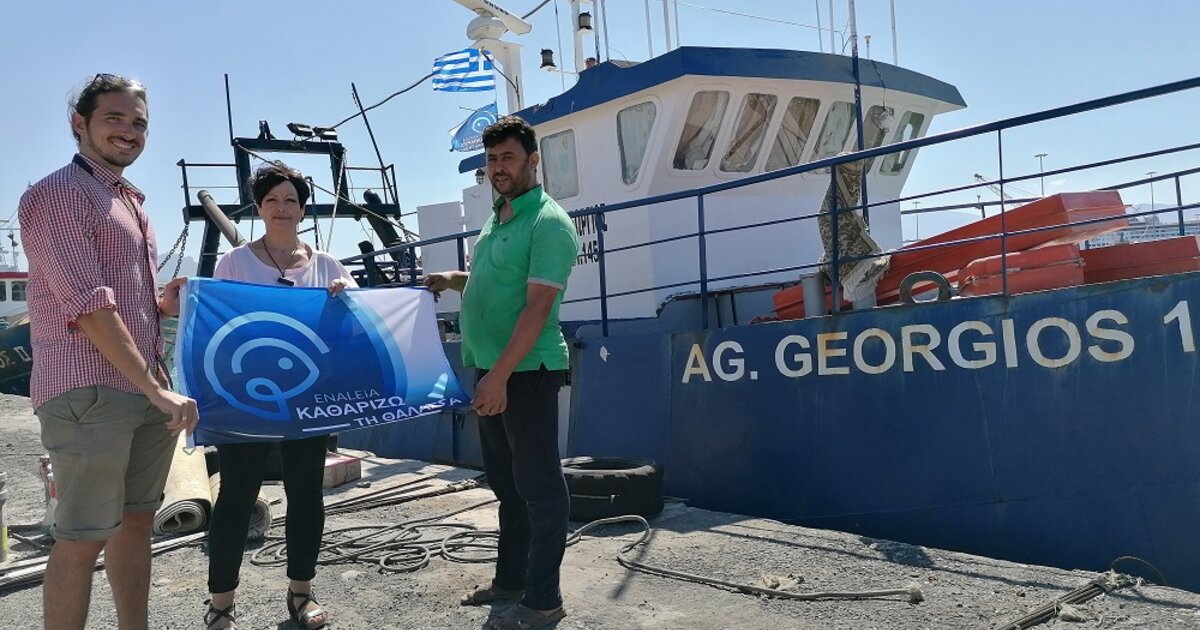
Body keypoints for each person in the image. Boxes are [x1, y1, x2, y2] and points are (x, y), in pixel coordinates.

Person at [18, 73, 198, 630]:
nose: (129, 131)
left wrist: (160, 306)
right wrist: (157, 390)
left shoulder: (127, 201)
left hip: (140, 386)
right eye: (114, 118)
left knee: (136, 523)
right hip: (90, 391)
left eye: (138, 122)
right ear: (80, 123)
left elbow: (115, 298)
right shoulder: (59, 194)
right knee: (81, 536)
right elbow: (88, 306)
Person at [426, 116, 580, 630]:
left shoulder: (548, 222)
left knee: (539, 486)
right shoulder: (499, 217)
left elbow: (537, 308)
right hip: (492, 366)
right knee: (507, 484)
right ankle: (511, 580)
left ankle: (543, 601)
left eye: (508, 157)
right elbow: (494, 279)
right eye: (492, 159)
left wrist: (498, 378)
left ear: (533, 160)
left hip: (526, 370)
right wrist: (453, 279)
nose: (498, 168)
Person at [203, 161, 355, 630]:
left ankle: (300, 594)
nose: (282, 207)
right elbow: (216, 324)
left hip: (308, 398)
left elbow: (360, 318)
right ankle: (221, 603)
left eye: (291, 200)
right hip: (247, 400)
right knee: (237, 495)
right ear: (259, 207)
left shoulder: (327, 265)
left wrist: (347, 296)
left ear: (303, 209)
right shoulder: (235, 262)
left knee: (306, 494)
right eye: (272, 200)